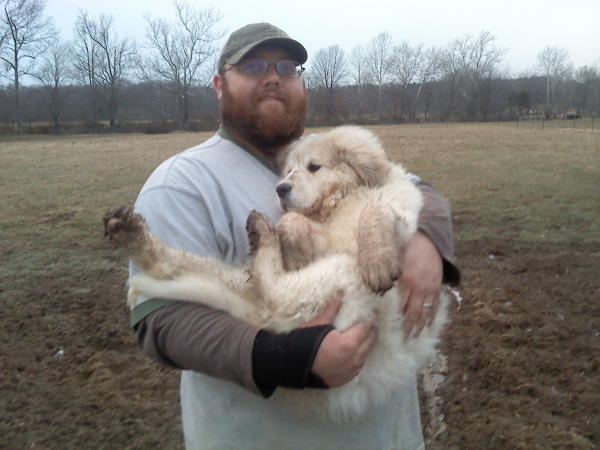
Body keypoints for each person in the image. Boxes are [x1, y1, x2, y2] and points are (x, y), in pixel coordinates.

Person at [130, 22, 460, 450]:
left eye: (288, 67)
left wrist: (426, 239)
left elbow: (415, 188)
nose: (272, 77)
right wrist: (281, 357)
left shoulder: (327, 150)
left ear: (302, 83)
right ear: (218, 83)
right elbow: (162, 320)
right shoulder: (183, 182)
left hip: (386, 437)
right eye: (251, 65)